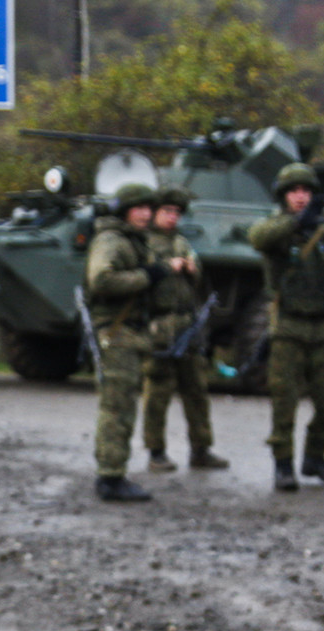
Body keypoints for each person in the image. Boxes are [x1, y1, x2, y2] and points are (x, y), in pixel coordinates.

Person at [248, 163, 324, 492]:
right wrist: (298, 222)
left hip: (323, 329)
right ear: (284, 196)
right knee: (284, 403)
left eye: (306, 191)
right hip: (288, 326)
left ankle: (315, 456)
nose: (300, 197)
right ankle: (283, 465)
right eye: (294, 191)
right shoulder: (276, 229)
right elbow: (258, 238)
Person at [84, 182, 168, 501]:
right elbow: (101, 279)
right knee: (117, 406)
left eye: (149, 208)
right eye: (139, 208)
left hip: (129, 332)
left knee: (124, 404)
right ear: (124, 211)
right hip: (116, 332)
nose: (146, 214)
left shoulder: (134, 241)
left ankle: (113, 472)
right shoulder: (112, 241)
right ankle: (110, 476)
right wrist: (146, 277)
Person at [141, 187, 228, 473]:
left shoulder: (181, 242)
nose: (172, 218)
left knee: (197, 391)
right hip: (160, 325)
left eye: (177, 213)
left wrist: (192, 268)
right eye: (167, 212)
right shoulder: (145, 243)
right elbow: (140, 276)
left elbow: (199, 274)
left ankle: (201, 449)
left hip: (187, 325)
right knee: (158, 391)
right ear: (155, 213)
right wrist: (165, 266)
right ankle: (156, 451)